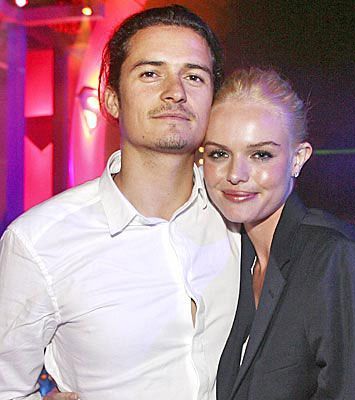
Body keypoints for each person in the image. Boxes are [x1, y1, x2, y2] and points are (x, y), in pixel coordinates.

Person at [0, 6, 241, 400]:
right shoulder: (39, 242)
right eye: (150, 73)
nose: (175, 91)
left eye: (194, 76)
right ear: (112, 100)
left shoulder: (241, 221)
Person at [201, 67, 355, 399]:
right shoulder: (236, 258)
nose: (236, 174)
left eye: (260, 154)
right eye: (219, 154)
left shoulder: (336, 260)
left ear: (297, 159)